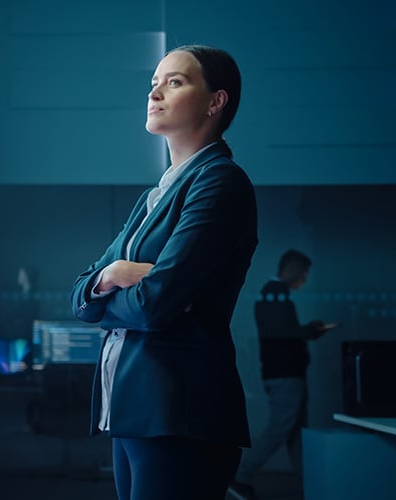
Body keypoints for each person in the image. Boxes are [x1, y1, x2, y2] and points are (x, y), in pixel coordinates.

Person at [70, 45, 257, 500]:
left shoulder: (219, 181)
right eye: (154, 82)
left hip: (180, 414)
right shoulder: (154, 196)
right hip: (134, 413)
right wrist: (111, 275)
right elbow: (80, 297)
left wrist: (108, 293)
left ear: (216, 101)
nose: (155, 92)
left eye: (175, 82)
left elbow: (156, 304)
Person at [227, 250, 337, 500]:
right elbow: (283, 333)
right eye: (303, 273)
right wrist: (310, 330)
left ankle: (308, 483)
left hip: (288, 374)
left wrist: (307, 331)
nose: (305, 279)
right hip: (284, 374)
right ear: (293, 270)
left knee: (296, 433)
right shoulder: (273, 294)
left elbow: (283, 332)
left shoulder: (274, 294)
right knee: (280, 428)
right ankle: (240, 475)